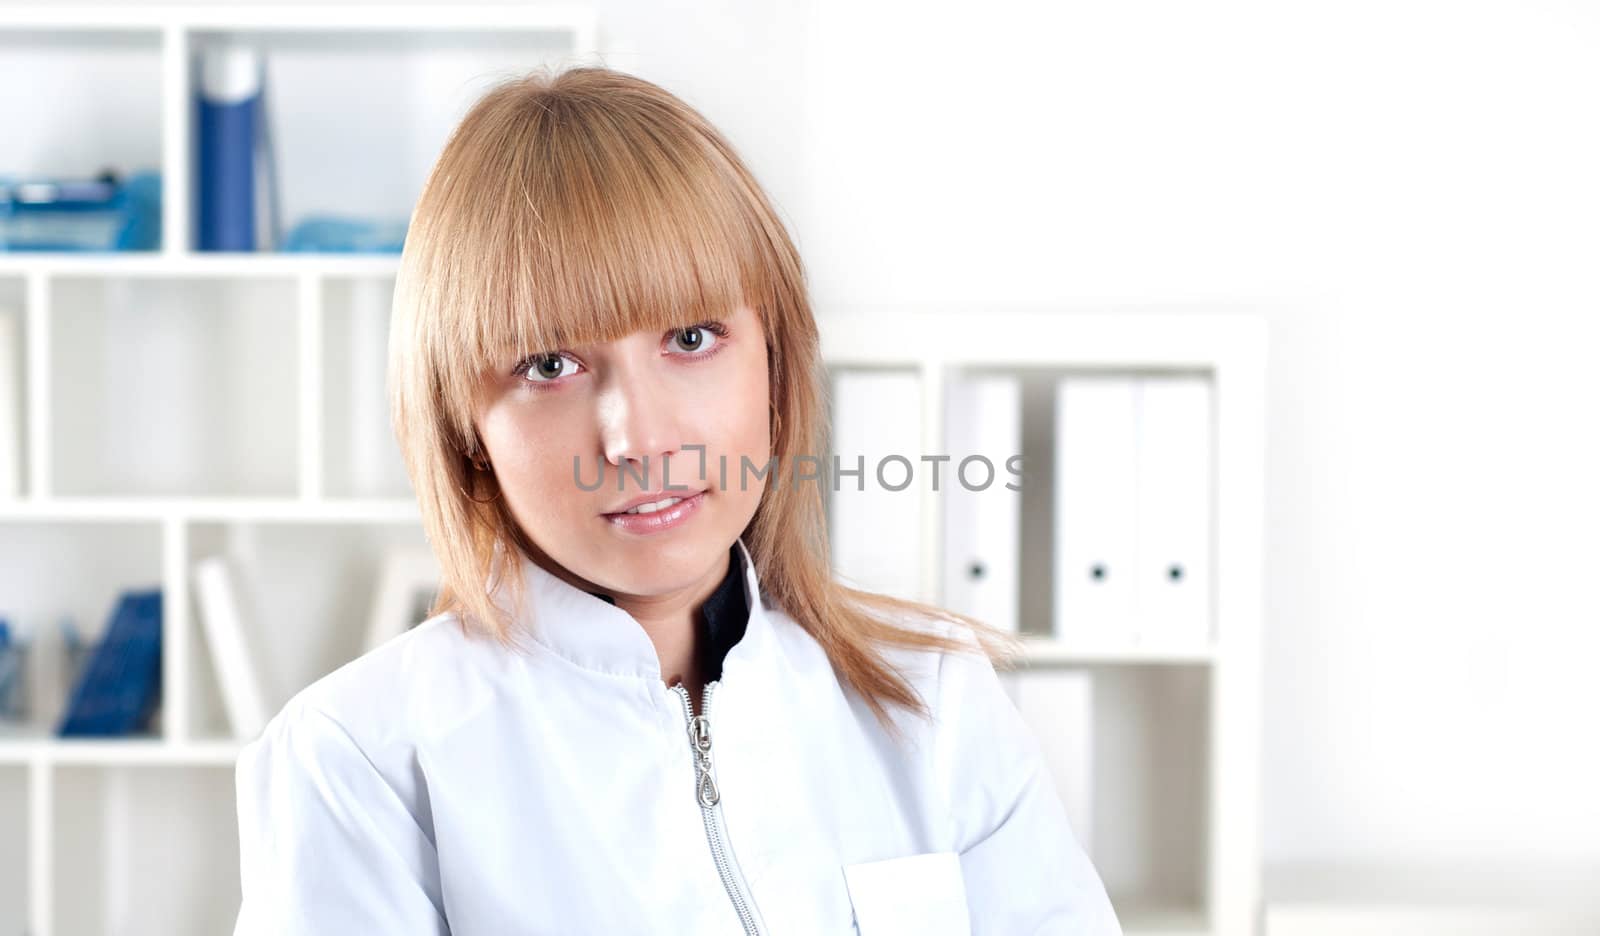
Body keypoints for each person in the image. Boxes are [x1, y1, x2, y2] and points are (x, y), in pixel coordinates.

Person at [232, 65, 1121, 936]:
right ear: (464, 424)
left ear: (774, 365)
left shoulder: (935, 701)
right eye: (550, 366)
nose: (641, 438)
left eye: (692, 338)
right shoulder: (359, 762)